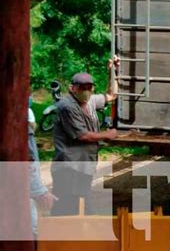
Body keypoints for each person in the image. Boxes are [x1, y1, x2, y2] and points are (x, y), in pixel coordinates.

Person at [50, 56, 120, 216]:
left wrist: (113, 71)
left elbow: (112, 95)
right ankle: (57, 238)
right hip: (68, 167)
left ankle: (79, 233)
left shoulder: (90, 101)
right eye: (82, 87)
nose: (86, 91)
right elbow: (82, 136)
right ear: (72, 88)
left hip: (82, 165)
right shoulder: (67, 106)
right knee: (65, 206)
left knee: (82, 202)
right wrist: (108, 134)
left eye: (89, 87)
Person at [28, 95, 57, 236]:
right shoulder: (20, 129)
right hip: (22, 189)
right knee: (31, 227)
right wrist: (40, 191)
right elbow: (27, 162)